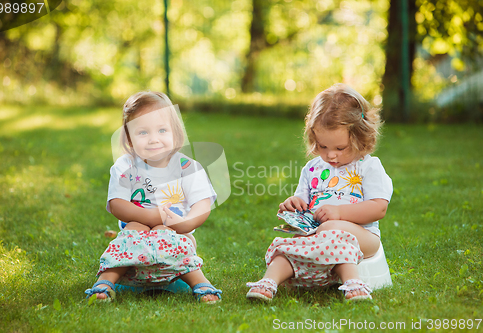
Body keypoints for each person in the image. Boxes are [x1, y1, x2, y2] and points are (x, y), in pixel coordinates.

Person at [246, 83, 393, 302]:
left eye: (339, 148)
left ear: (360, 137)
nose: (330, 155)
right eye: (323, 146)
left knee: (331, 228)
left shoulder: (367, 167)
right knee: (289, 246)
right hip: (315, 236)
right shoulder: (313, 169)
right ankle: (268, 283)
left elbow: (378, 208)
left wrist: (340, 214)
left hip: (363, 237)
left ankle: (354, 283)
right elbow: (303, 201)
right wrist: (294, 203)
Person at [85, 91, 222, 303]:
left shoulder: (188, 168)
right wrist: (150, 217)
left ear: (175, 133)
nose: (153, 139)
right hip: (135, 248)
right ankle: (105, 281)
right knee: (133, 230)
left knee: (164, 231)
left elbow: (202, 204)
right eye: (143, 132)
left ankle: (199, 283)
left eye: (162, 130)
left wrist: (184, 223)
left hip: (176, 234)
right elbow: (117, 204)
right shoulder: (125, 166)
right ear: (129, 138)